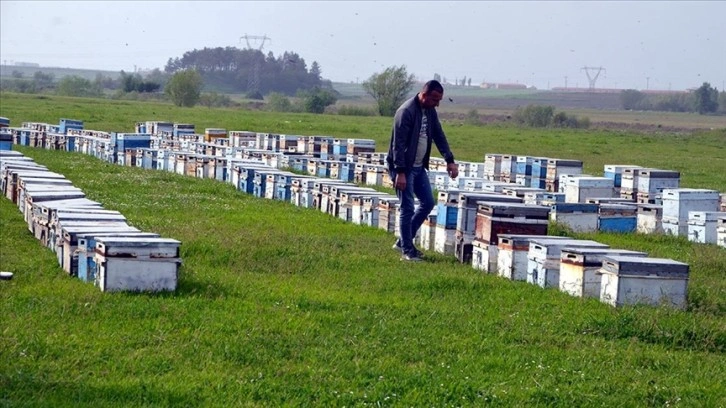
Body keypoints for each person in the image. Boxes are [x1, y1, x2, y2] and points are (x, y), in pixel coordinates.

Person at [386, 80, 458, 261]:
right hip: (404, 168)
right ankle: (407, 252)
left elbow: (439, 136)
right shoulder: (406, 112)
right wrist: (400, 172)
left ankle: (403, 242)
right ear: (424, 95)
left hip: (418, 167)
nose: (438, 103)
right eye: (434, 99)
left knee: (428, 203)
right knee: (407, 208)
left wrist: (449, 160)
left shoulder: (430, 111)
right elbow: (398, 145)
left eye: (440, 100)